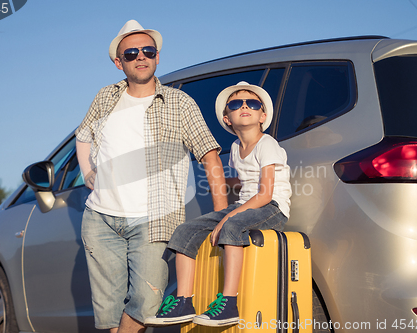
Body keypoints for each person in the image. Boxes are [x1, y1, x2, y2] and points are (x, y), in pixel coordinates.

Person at [75, 20, 228, 333]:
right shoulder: (106, 97)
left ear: (158, 57)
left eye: (148, 50)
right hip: (100, 219)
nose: (140, 56)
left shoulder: (179, 103)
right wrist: (87, 171)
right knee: (110, 313)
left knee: (145, 303)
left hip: (153, 220)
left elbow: (210, 157)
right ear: (119, 63)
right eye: (131, 53)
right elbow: (83, 135)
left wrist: (222, 215)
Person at [145, 81, 292, 327]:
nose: (244, 106)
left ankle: (229, 303)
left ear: (262, 115)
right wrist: (221, 182)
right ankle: (183, 302)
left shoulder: (267, 144)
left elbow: (265, 194)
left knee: (231, 226)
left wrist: (226, 218)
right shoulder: (235, 147)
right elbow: (245, 181)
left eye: (252, 103)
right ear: (227, 118)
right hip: (247, 204)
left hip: (272, 208)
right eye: (236, 104)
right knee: (185, 230)